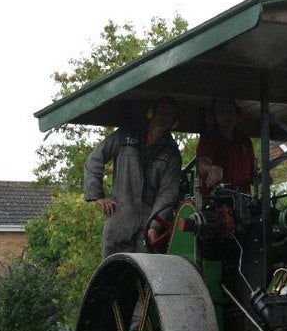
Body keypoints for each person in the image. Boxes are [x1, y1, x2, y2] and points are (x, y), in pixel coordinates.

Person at [84, 96, 184, 258]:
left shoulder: (172, 154)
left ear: (174, 121)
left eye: (170, 114)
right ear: (152, 113)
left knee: (145, 275)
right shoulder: (125, 135)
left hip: (148, 225)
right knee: (113, 272)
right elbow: (94, 159)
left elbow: (167, 192)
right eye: (162, 111)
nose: (165, 117)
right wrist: (97, 196)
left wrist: (155, 226)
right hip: (120, 220)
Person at [196, 98, 256, 194]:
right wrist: (212, 168)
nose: (227, 114)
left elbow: (252, 173)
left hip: (243, 200)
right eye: (222, 111)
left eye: (230, 111)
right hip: (216, 202)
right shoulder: (209, 139)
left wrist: (260, 178)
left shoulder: (244, 140)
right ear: (213, 115)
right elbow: (201, 165)